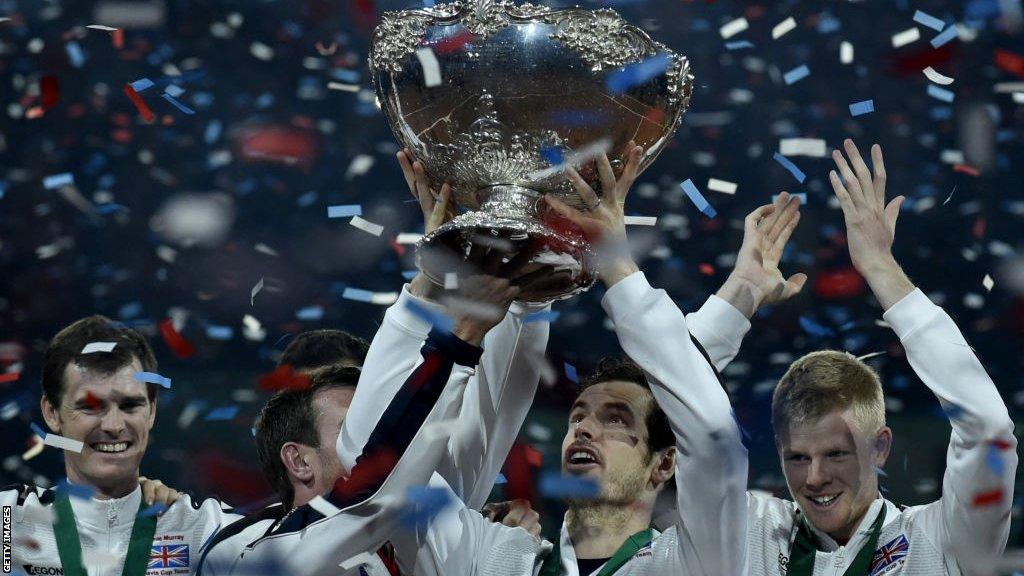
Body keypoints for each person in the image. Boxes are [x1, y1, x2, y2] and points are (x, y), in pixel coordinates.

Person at [374, 144, 806, 575]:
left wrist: (618, 268)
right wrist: (454, 280)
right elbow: (379, 458)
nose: (584, 428)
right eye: (578, 416)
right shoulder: (494, 558)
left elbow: (712, 437)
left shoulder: (695, 563)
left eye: (616, 419)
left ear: (665, 464)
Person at [745, 140, 1017, 575]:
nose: (814, 478)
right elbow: (683, 429)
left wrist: (879, 268)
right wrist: (740, 296)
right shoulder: (754, 536)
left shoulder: (942, 540)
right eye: (797, 457)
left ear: (880, 446)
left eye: (837, 454)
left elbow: (989, 428)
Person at [196, 275, 527, 575]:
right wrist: (458, 341)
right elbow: (381, 487)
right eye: (350, 425)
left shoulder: (404, 535)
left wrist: (526, 302)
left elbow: (487, 421)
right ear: (298, 460)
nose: (372, 435)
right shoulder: (250, 554)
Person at [3, 316, 238, 576]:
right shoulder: (9, 524)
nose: (114, 425)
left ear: (151, 412)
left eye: (129, 405)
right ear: (52, 413)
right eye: (90, 407)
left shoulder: (206, 530)